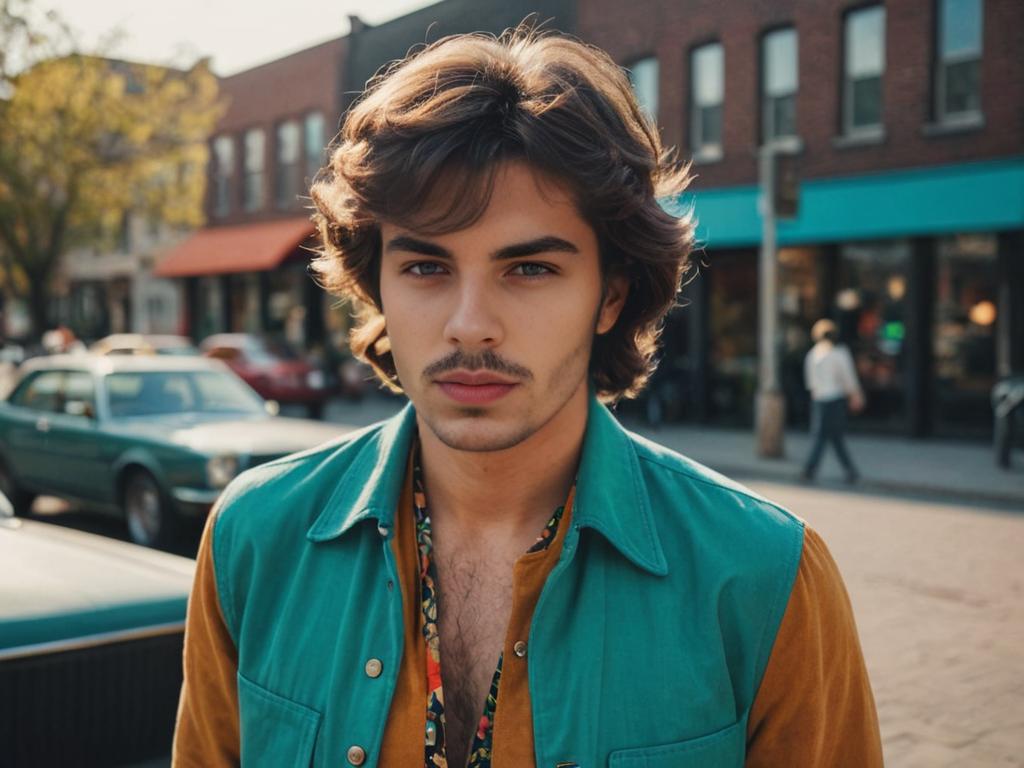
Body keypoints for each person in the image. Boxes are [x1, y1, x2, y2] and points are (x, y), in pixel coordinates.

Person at [173, 27, 882, 767]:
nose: (469, 323)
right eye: (425, 267)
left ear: (610, 295)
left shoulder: (763, 575)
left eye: (530, 269)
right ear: (375, 282)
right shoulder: (254, 538)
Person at [801, 318, 865, 484]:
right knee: (829, 437)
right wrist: (855, 395)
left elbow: (810, 382)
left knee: (827, 437)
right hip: (835, 399)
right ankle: (812, 470)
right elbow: (848, 378)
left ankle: (845, 471)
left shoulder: (812, 355)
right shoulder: (839, 353)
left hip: (819, 400)